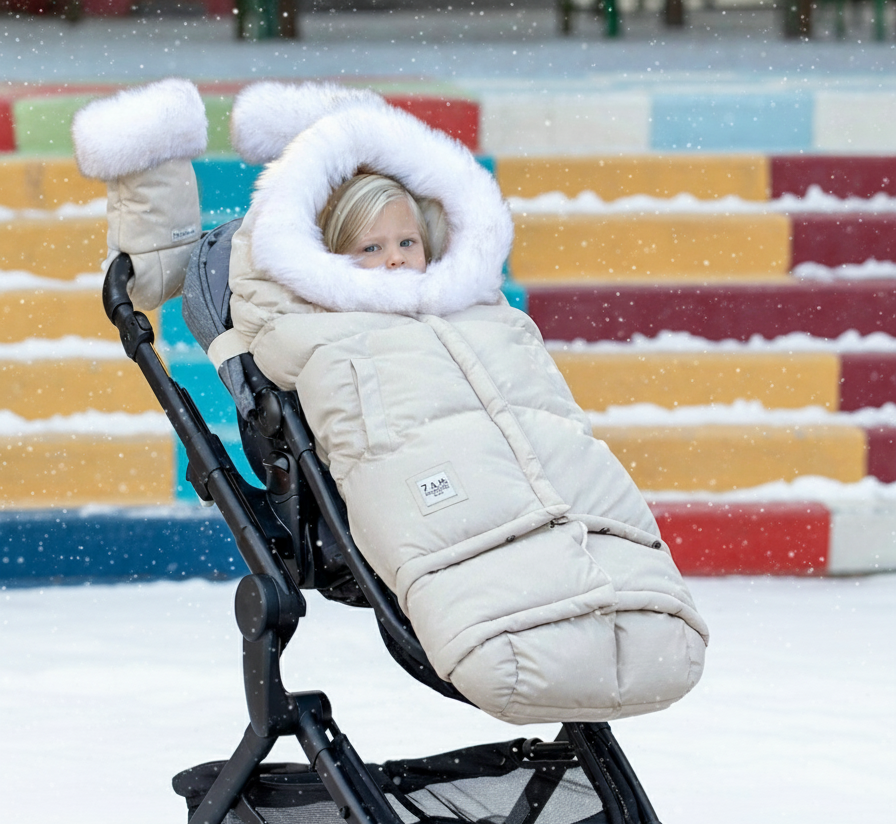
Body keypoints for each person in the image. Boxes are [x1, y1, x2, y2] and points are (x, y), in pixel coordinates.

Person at [74, 79, 708, 726]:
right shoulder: (316, 331)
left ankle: (614, 597)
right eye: (370, 249)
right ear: (328, 260)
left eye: (407, 243)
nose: (396, 261)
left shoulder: (477, 313)